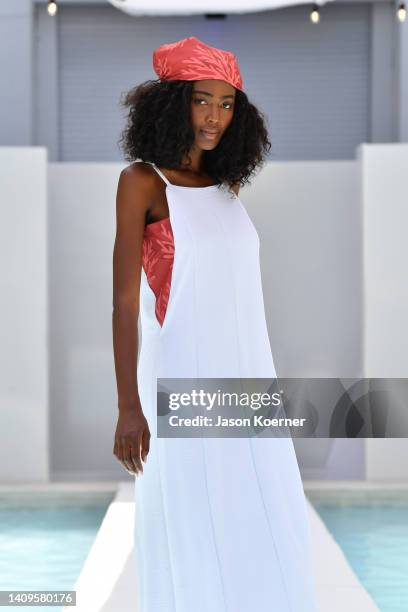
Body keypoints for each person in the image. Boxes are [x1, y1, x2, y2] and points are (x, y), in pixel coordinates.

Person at [112, 36, 318, 612]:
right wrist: (130, 407)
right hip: (178, 386)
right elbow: (125, 305)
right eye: (202, 100)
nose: (214, 116)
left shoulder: (228, 193)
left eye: (227, 105)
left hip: (247, 391)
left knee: (266, 520)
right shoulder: (143, 183)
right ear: (172, 103)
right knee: (193, 525)